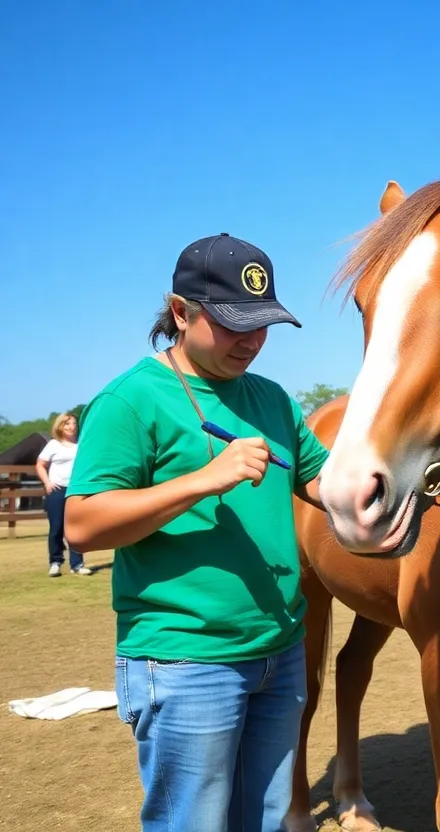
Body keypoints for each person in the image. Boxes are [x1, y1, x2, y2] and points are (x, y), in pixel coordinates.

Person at [64, 233, 330, 832]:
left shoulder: (272, 399)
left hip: (280, 653)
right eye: (235, 324)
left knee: (266, 820)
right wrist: (202, 480)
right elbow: (81, 524)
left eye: (263, 324)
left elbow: (322, 481)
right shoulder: (131, 399)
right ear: (181, 313)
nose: (254, 341)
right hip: (186, 661)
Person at [36, 412, 92, 577]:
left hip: (76, 490)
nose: (71, 427)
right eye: (67, 424)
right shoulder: (54, 444)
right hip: (57, 490)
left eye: (74, 423)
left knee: (76, 528)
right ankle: (55, 562)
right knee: (56, 528)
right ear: (60, 426)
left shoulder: (82, 444)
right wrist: (47, 483)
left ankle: (77, 564)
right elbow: (40, 465)